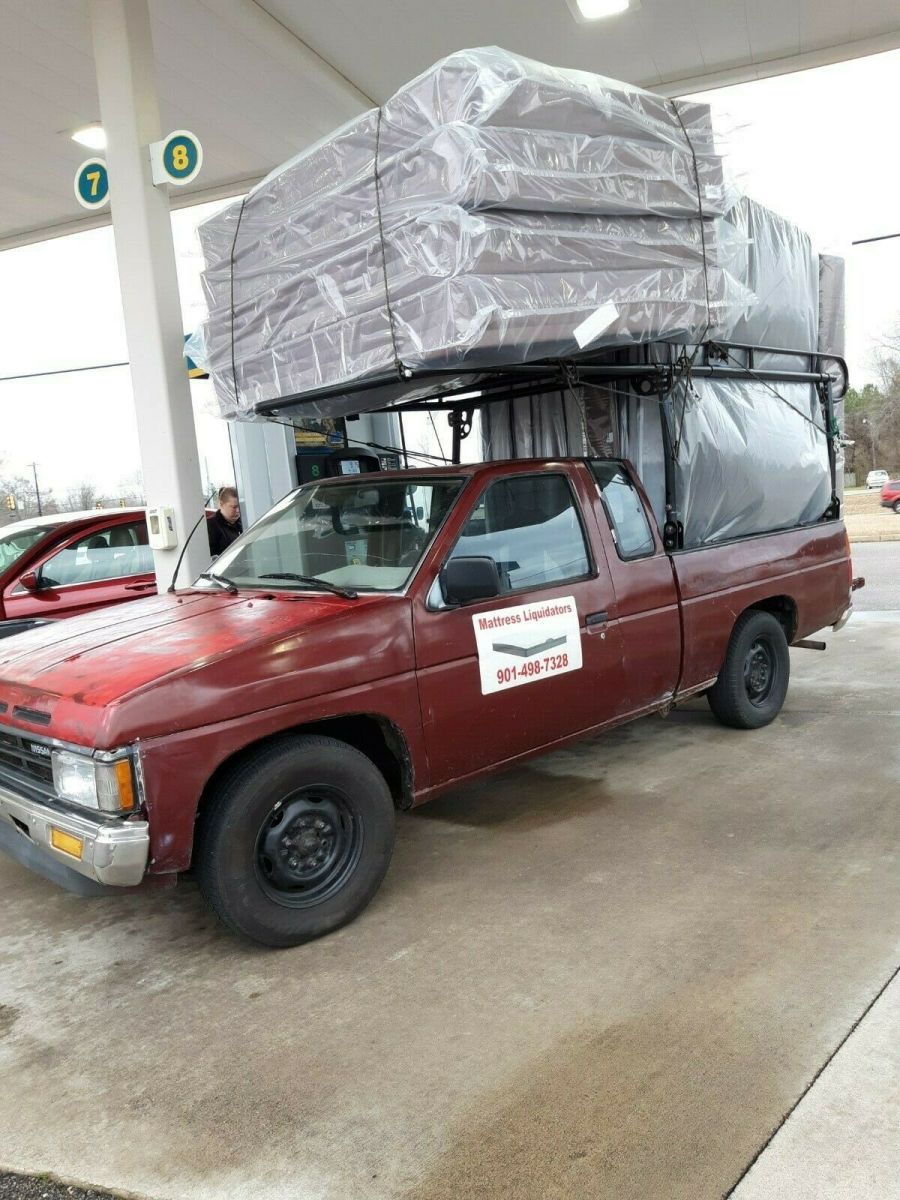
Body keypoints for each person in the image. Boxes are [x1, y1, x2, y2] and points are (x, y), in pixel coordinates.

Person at [207, 486, 243, 557]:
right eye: (234, 507)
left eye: (239, 506)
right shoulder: (210, 526)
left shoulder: (244, 522)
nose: (238, 510)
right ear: (221, 504)